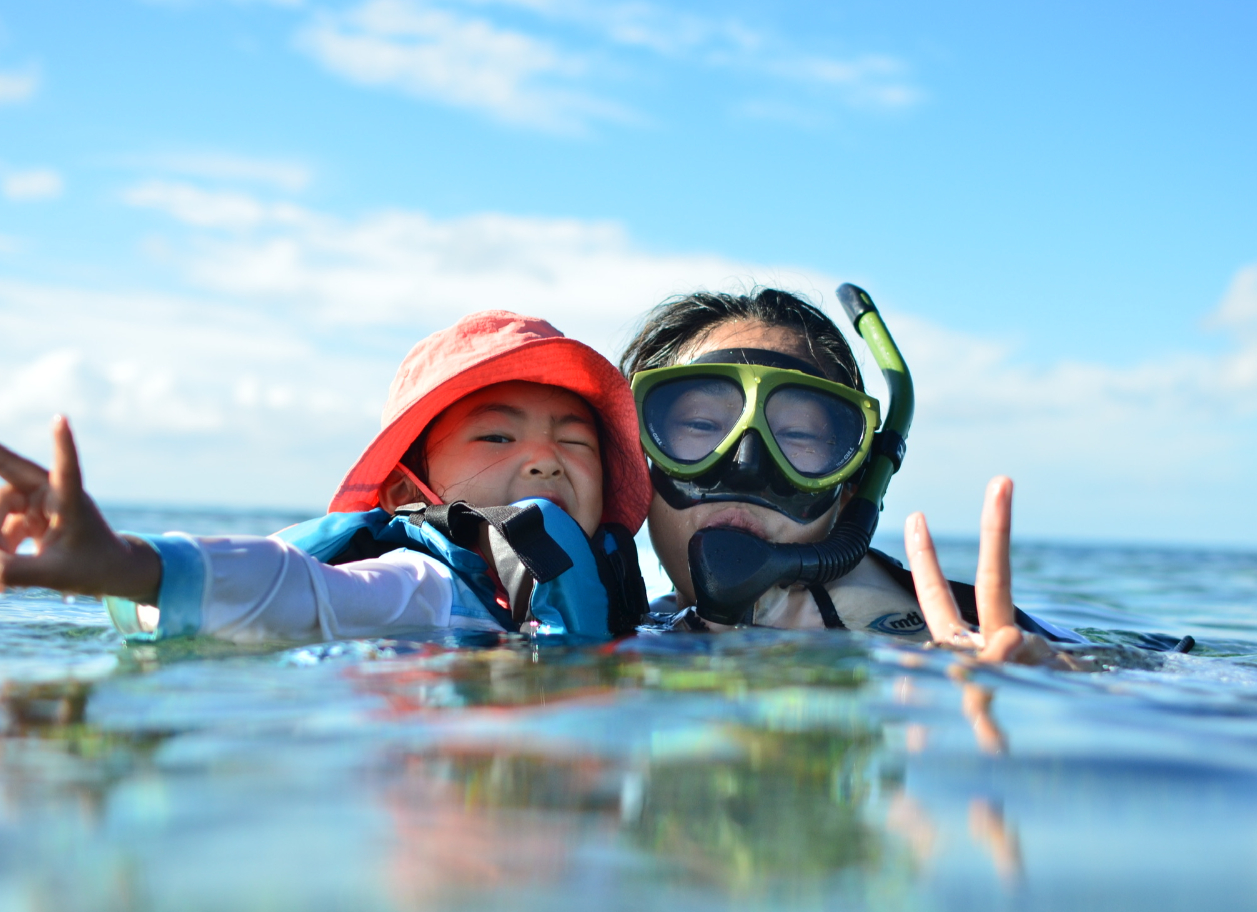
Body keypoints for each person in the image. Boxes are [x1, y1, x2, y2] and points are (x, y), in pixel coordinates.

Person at [0, 311, 653, 643]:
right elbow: (294, 588)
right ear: (406, 494)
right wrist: (126, 566)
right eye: (497, 435)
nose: (544, 457)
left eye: (574, 439)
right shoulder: (427, 588)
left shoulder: (632, 603)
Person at [622, 288, 1086, 666]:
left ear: (849, 491)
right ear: (637, 459)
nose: (747, 466)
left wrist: (1032, 680)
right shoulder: (625, 623)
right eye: (701, 425)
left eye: (798, 435)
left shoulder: (929, 641)